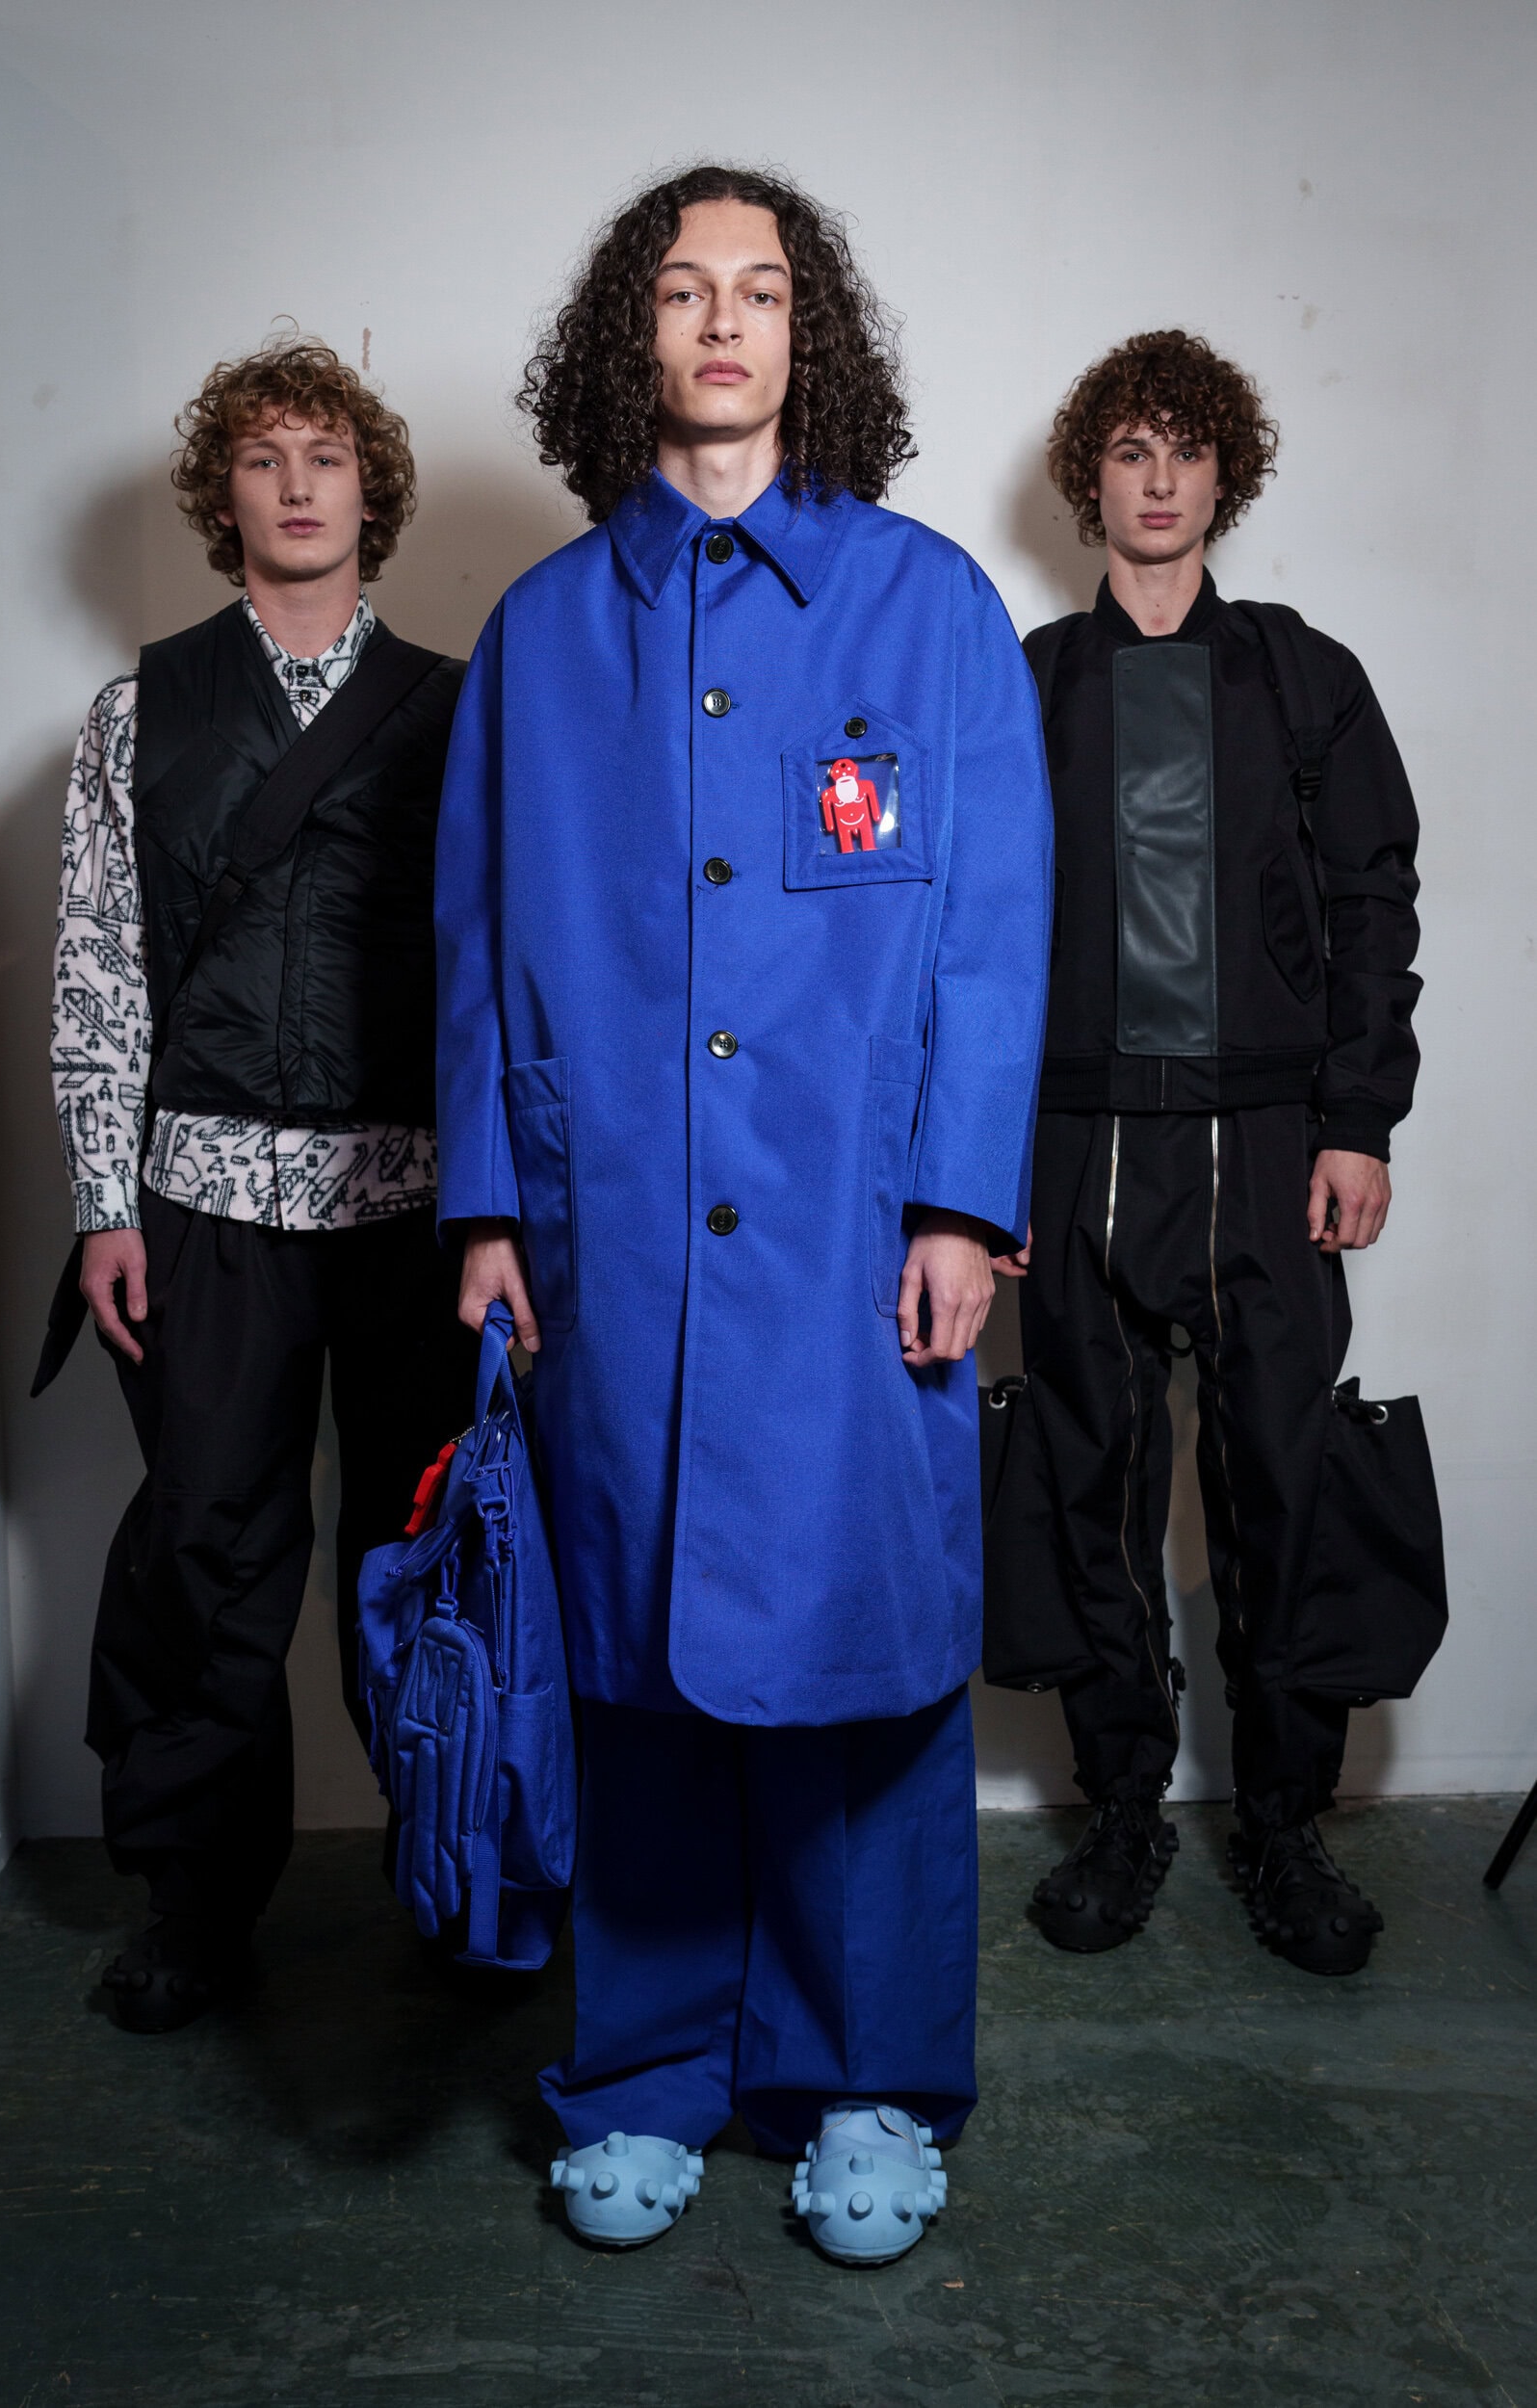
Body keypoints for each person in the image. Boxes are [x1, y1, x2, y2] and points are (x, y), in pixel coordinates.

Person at [435, 165, 1052, 2262]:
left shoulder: (928, 608)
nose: (723, 322)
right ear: (634, 332)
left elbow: (996, 934)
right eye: (685, 289)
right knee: (629, 1658)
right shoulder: (539, 634)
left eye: (762, 290)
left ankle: (868, 2080)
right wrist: (490, 1208)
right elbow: (474, 939)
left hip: (853, 1238)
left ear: (811, 335)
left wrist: (961, 1201)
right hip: (605, 1231)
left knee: (862, 1659)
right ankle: (641, 2076)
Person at [44, 336, 472, 2031]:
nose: (297, 485)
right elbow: (96, 968)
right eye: (262, 458)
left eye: (327, 455)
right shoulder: (137, 712)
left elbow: (510, 968)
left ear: (374, 491)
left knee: (428, 1553)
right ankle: (195, 1907)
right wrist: (103, 1201)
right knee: (207, 1562)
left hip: (417, 1208)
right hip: (205, 1202)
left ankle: (458, 1876)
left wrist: (519, 1213)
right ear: (222, 499)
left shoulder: (462, 711)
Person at [983, 330, 1421, 1976]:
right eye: (1129, 449)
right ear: (1087, 477)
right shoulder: (1026, 683)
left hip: (1269, 1141)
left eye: (1186, 449)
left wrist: (1359, 1121)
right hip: (1078, 1142)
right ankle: (1120, 1809)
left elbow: (1376, 908)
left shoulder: (1306, 678)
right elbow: (966, 937)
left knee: (1285, 1488)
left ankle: (1287, 1823)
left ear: (1225, 473)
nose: (1157, 479)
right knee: (1086, 1485)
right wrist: (975, 1172)